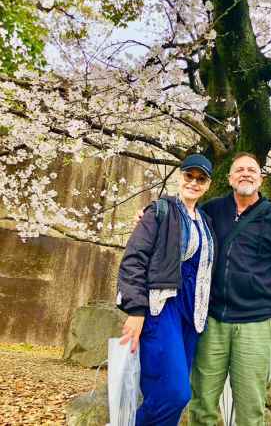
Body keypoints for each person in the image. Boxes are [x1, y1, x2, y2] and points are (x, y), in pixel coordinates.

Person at [188, 152, 271, 426]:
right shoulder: (212, 210)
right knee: (202, 401)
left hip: (254, 322)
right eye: (239, 170)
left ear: (261, 178)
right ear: (229, 178)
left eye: (252, 169)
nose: (246, 174)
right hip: (212, 319)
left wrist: (260, 287)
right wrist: (151, 214)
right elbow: (184, 223)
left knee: (250, 406)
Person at [116, 154, 217, 426]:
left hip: (192, 316)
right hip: (163, 310)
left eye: (201, 179)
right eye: (189, 176)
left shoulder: (206, 221)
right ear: (179, 176)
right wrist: (136, 310)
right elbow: (134, 259)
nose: (194, 183)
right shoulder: (160, 211)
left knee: (164, 393)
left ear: (208, 185)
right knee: (176, 393)